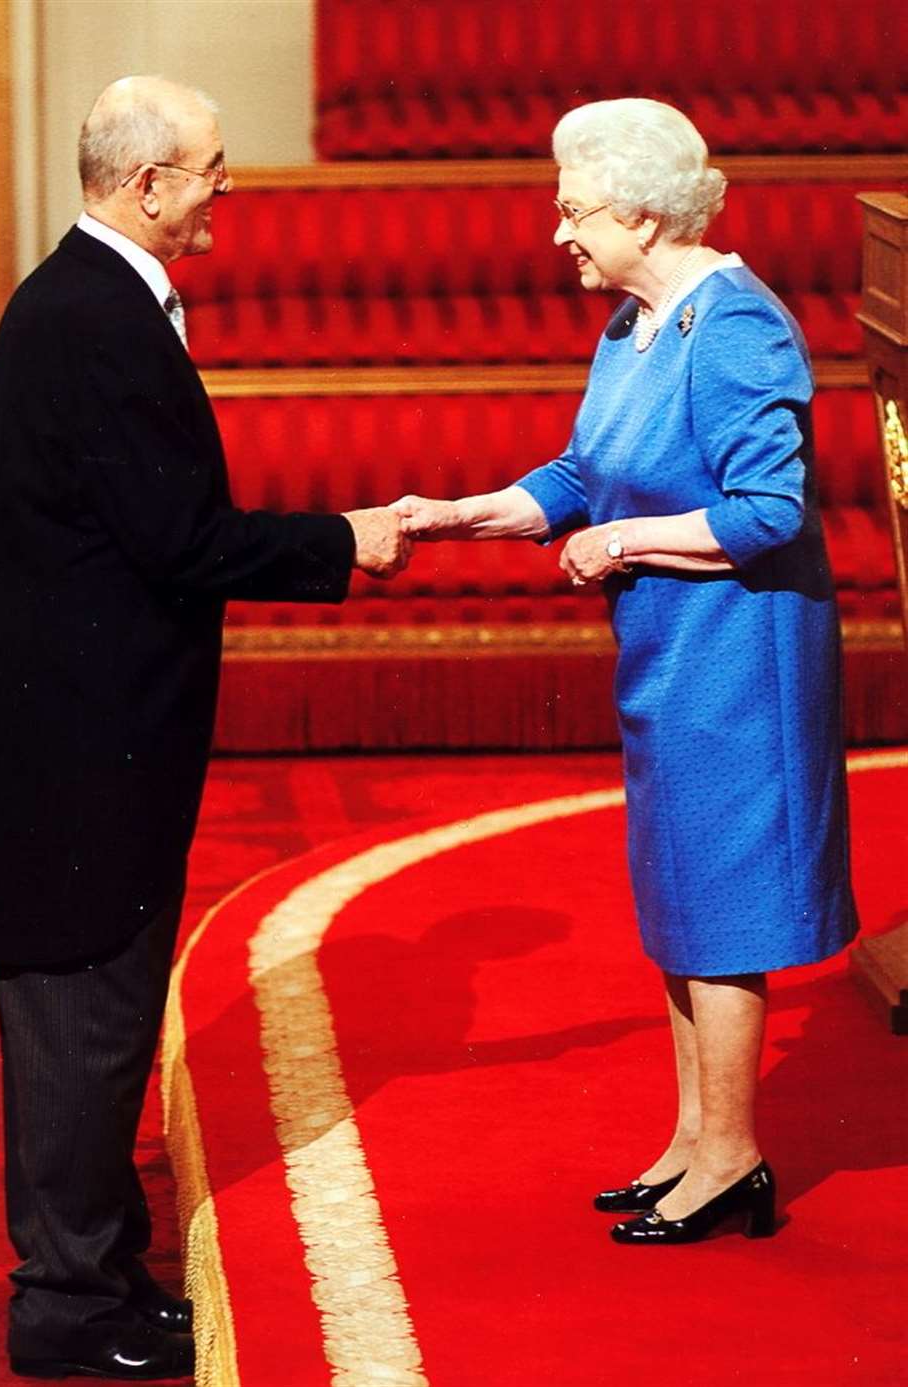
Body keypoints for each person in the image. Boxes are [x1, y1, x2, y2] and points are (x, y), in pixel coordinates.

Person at [0, 76, 408, 1381]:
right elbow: (180, 538)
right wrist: (345, 540)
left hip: (84, 731)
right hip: (80, 749)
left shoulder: (85, 301)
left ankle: (99, 1268)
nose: (225, 187)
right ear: (147, 186)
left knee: (105, 1017)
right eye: (209, 168)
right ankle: (66, 1300)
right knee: (85, 1021)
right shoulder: (97, 322)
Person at [392, 97, 857, 1247]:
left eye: (574, 211)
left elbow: (765, 510)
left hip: (741, 652)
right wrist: (456, 514)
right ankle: (697, 1139)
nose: (559, 233)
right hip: (667, 648)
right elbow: (582, 474)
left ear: (645, 217)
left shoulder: (739, 328)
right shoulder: (633, 326)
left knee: (728, 901)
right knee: (678, 890)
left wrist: (622, 543)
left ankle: (737, 1155)